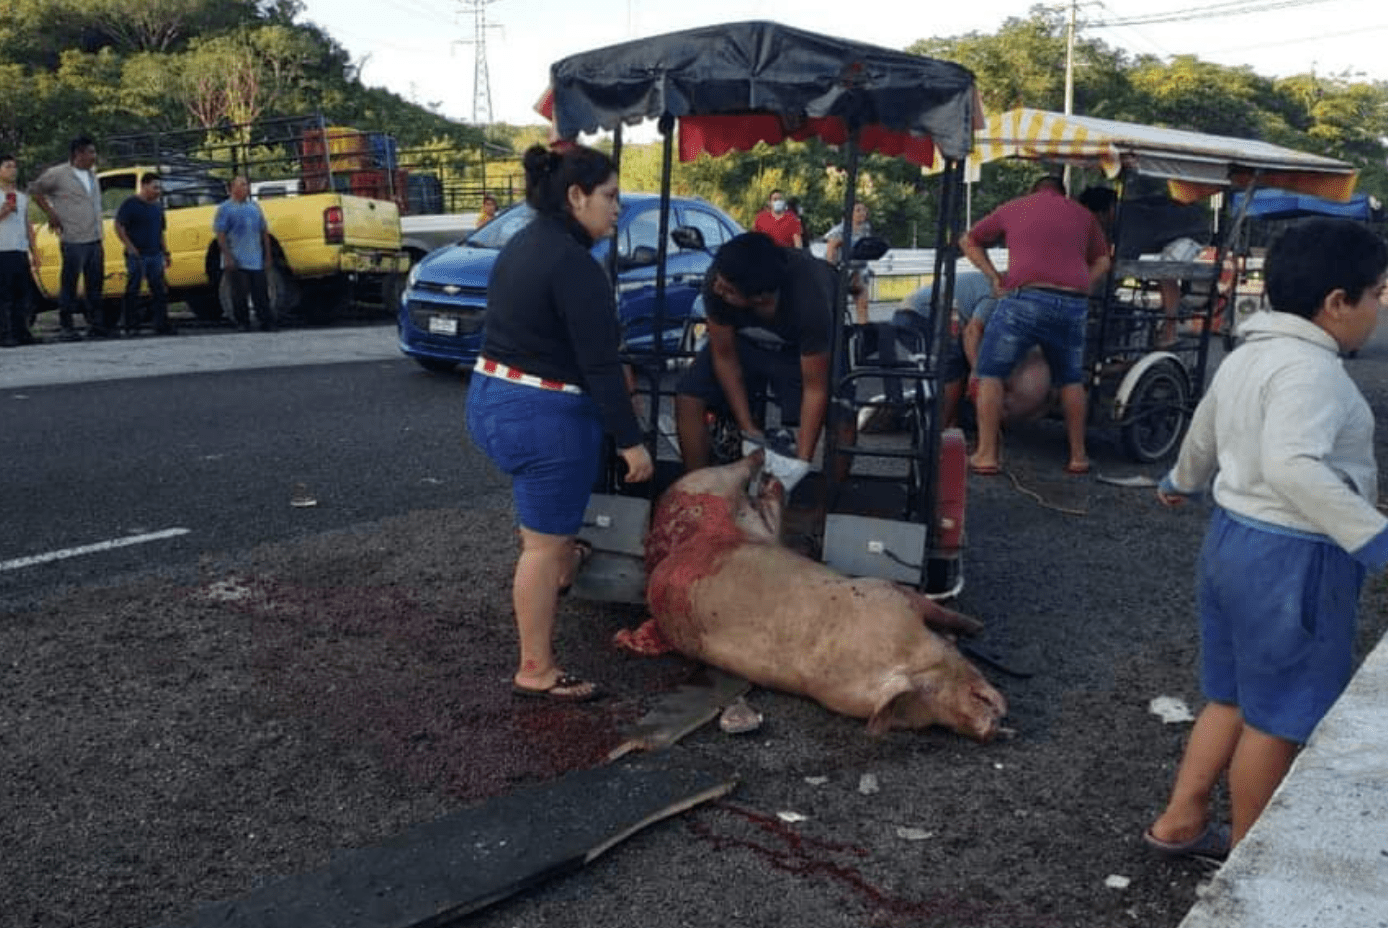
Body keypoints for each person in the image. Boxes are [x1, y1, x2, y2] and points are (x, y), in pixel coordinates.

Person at [1144, 218, 1388, 861]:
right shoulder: (1315, 373)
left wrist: (1181, 479)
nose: (1379, 309)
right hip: (1293, 561)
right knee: (1277, 720)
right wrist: (1374, 537)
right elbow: (1292, 465)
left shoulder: (1248, 354)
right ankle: (1251, 861)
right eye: (1378, 294)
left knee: (1228, 697)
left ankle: (1180, 821)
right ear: (1337, 303)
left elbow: (1203, 431)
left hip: (1231, 544)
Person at [465, 143, 653, 702]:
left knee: (547, 536)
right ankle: (537, 669)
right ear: (576, 197)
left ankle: (564, 566)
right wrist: (632, 443)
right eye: (610, 197)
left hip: (490, 397)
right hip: (545, 416)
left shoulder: (522, 243)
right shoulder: (578, 267)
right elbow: (601, 368)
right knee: (542, 550)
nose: (618, 208)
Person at [960, 175, 1110, 476]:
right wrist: (1083, 285)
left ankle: (987, 455)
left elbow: (968, 240)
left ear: (1034, 190)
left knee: (990, 372)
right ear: (1063, 193)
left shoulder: (1014, 207)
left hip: (1025, 298)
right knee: (1070, 378)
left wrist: (994, 277)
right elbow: (1104, 260)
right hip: (1072, 304)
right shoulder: (1083, 215)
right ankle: (1078, 456)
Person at [674, 231, 850, 473]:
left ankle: (825, 503)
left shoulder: (810, 299)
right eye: (719, 283)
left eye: (728, 291)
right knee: (689, 393)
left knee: (842, 413)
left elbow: (815, 389)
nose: (717, 289)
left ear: (758, 299)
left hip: (804, 348)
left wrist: (800, 462)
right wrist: (748, 427)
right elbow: (724, 357)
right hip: (745, 340)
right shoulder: (719, 279)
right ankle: (700, 490)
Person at [896, 271, 1050, 428]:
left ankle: (949, 424)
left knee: (954, 362)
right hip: (917, 316)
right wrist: (978, 371)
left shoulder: (992, 281)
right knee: (952, 366)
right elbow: (972, 332)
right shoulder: (997, 294)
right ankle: (941, 429)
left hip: (913, 312)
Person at [29, 135, 106, 340]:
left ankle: (96, 324)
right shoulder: (58, 174)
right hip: (73, 238)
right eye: (90, 152)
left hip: (95, 237)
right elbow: (35, 190)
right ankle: (67, 325)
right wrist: (51, 212)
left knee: (95, 283)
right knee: (70, 283)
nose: (93, 156)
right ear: (78, 154)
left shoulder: (92, 175)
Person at [114, 172, 174, 336]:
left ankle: (161, 324)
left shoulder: (156, 207)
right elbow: (119, 226)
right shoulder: (130, 204)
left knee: (159, 289)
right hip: (138, 254)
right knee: (133, 288)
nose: (157, 191)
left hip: (155, 253)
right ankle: (130, 325)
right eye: (154, 187)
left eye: (159, 188)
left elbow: (160, 231)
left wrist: (166, 252)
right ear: (144, 186)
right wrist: (130, 247)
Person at [213, 176, 276, 331]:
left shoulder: (254, 207)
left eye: (247, 185)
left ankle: (266, 322)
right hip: (236, 259)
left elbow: (263, 232)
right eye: (241, 185)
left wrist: (267, 256)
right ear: (232, 188)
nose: (245, 188)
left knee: (261, 293)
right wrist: (227, 256)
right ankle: (243, 323)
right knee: (239, 294)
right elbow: (220, 234)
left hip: (255, 258)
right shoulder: (225, 209)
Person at [0, 154, 40, 347]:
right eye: (7, 167)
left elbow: (27, 224)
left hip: (19, 250)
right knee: (4, 295)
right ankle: (5, 333)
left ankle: (22, 331)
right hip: (2, 250)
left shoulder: (22, 197)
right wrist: (4, 211)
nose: (12, 170)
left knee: (23, 294)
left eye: (14, 167)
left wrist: (34, 250)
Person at [824, 201, 875, 324]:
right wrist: (830, 274)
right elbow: (831, 252)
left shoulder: (866, 229)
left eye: (864, 210)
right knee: (838, 308)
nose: (862, 213)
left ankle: (863, 334)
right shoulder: (840, 230)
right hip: (841, 271)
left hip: (859, 270)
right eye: (858, 210)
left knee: (863, 305)